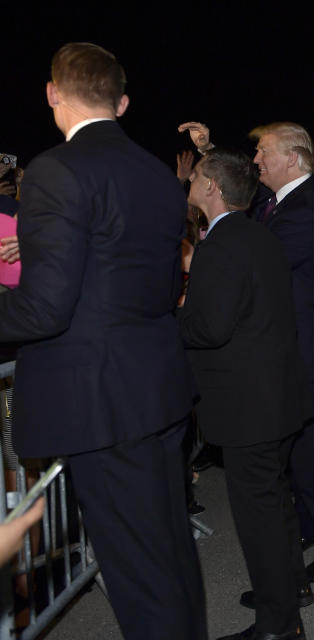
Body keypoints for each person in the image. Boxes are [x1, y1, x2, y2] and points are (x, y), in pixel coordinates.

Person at [0, 43, 205, 639]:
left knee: (139, 575)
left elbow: (43, 306)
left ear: (52, 93)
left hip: (100, 404)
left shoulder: (55, 170)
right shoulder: (158, 177)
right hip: (156, 391)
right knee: (168, 557)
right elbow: (164, 287)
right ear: (121, 99)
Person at [179, 121, 314, 584]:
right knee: (295, 458)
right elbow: (238, 200)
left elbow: (247, 251)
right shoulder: (281, 202)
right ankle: (312, 530)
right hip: (288, 350)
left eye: (263, 152)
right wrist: (211, 152)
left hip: (307, 352)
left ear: (293, 158)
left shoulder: (310, 207)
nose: (256, 160)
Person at [180, 149, 312, 640]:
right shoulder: (260, 234)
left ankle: (278, 626)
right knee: (275, 505)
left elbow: (210, 327)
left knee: (259, 516)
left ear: (213, 187)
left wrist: (171, 320)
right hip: (276, 397)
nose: (190, 183)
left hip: (248, 406)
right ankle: (291, 592)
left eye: (194, 177)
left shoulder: (221, 243)